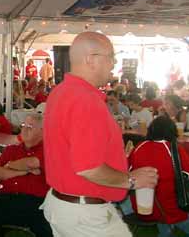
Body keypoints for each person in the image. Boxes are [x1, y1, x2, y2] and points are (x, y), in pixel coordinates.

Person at [42, 32, 158, 236]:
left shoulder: (60, 92)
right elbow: (89, 168)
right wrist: (131, 180)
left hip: (64, 205)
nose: (114, 64)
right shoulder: (85, 100)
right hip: (85, 215)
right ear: (90, 59)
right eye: (111, 57)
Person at [129, 115, 189, 236]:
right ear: (172, 131)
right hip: (171, 209)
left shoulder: (139, 147)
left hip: (144, 208)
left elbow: (128, 172)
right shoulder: (173, 149)